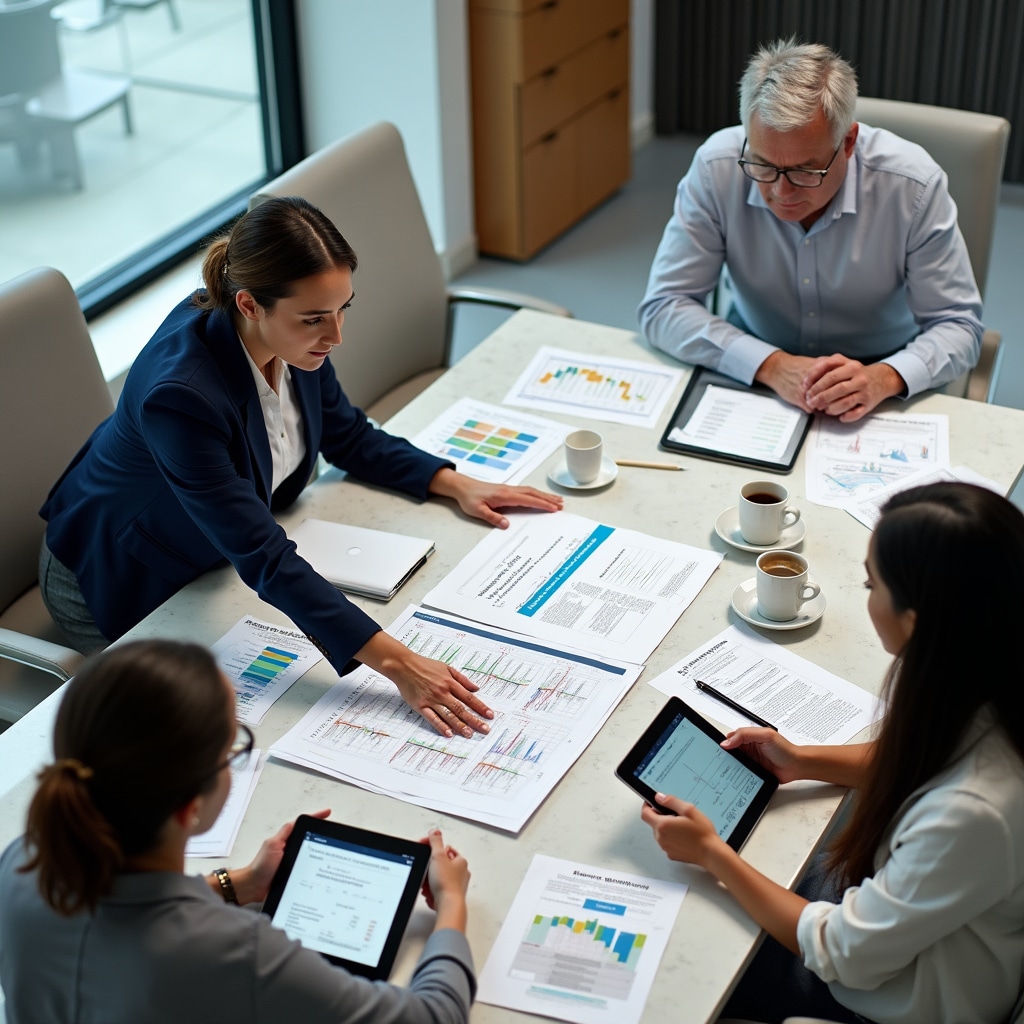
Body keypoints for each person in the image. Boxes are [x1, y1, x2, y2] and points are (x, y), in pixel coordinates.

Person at [38, 196, 563, 738]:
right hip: (124, 575)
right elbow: (263, 556)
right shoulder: (181, 396)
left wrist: (454, 484)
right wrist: (400, 665)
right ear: (249, 305)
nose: (336, 336)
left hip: (217, 555)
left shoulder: (293, 342)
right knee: (199, 733)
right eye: (315, 318)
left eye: (343, 310)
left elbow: (348, 435)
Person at [641, 482, 1024, 1024]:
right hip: (897, 922)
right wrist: (803, 761)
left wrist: (711, 855)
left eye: (872, 583)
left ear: (914, 619)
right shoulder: (990, 672)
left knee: (676, 967)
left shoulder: (974, 813)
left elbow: (842, 954)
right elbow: (933, 756)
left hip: (899, 1000)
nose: (864, 593)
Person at [0, 639, 475, 1024]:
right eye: (234, 746)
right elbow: (433, 1016)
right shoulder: (234, 951)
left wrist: (240, 885)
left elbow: (118, 907)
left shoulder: (23, 860)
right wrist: (451, 903)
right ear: (190, 808)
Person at [638, 39, 984, 423]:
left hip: (880, 376)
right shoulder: (716, 167)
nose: (781, 192)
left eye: (806, 170)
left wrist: (884, 378)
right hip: (753, 358)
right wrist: (771, 365)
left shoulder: (912, 185)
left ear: (848, 142)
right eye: (763, 165)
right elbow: (663, 306)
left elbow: (959, 326)